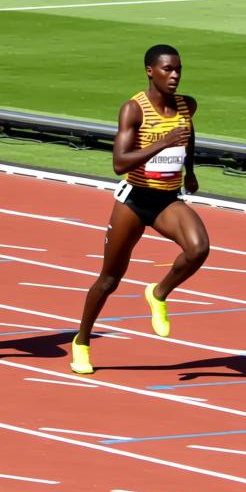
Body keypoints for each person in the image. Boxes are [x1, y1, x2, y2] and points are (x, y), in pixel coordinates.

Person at [70, 44, 210, 376]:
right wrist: (162, 142)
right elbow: (119, 164)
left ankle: (158, 292)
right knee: (109, 279)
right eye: (167, 69)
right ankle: (82, 341)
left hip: (167, 199)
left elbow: (188, 138)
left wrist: (190, 172)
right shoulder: (134, 109)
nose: (174, 75)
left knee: (199, 248)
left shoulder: (185, 106)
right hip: (134, 201)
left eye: (178, 69)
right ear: (150, 70)